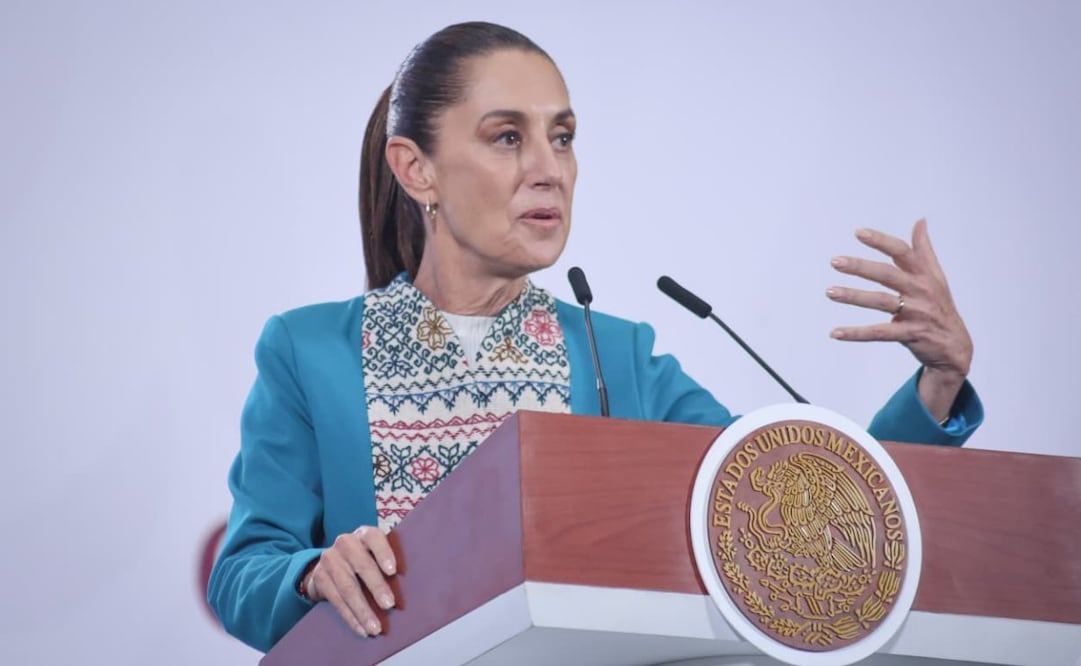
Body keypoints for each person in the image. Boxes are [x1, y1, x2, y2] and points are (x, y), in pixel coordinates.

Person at [207, 21, 982, 653]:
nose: (549, 170)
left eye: (564, 137)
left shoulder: (619, 358)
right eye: (507, 137)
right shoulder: (310, 352)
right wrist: (312, 574)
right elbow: (243, 575)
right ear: (417, 170)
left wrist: (935, 388)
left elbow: (787, 513)